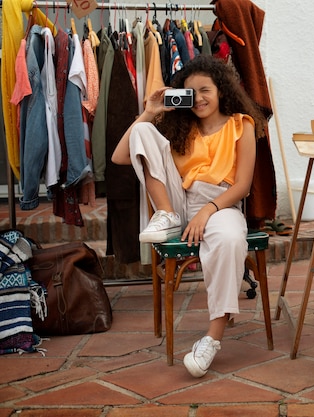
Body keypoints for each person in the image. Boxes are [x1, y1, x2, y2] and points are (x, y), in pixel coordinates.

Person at [111, 54, 266, 377]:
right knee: (142, 132)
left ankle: (213, 337)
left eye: (205, 90)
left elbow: (243, 185)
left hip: (221, 203)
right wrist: (150, 113)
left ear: (222, 90)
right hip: (180, 202)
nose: (198, 99)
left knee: (229, 238)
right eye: (190, 93)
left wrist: (208, 211)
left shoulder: (242, 125)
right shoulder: (179, 128)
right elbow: (120, 156)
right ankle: (164, 214)